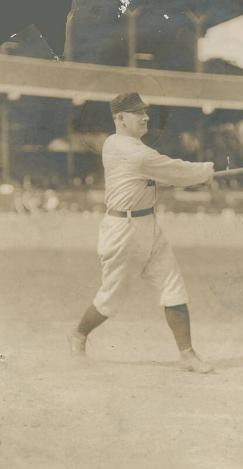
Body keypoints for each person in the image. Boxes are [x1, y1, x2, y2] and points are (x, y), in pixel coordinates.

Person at [69, 92, 214, 373]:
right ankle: (78, 334)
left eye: (145, 111)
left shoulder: (137, 148)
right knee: (110, 299)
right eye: (138, 113)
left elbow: (160, 176)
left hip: (149, 225)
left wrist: (182, 179)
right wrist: (205, 172)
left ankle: (187, 354)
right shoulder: (123, 147)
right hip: (122, 231)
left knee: (173, 286)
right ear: (120, 118)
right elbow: (171, 170)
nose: (146, 116)